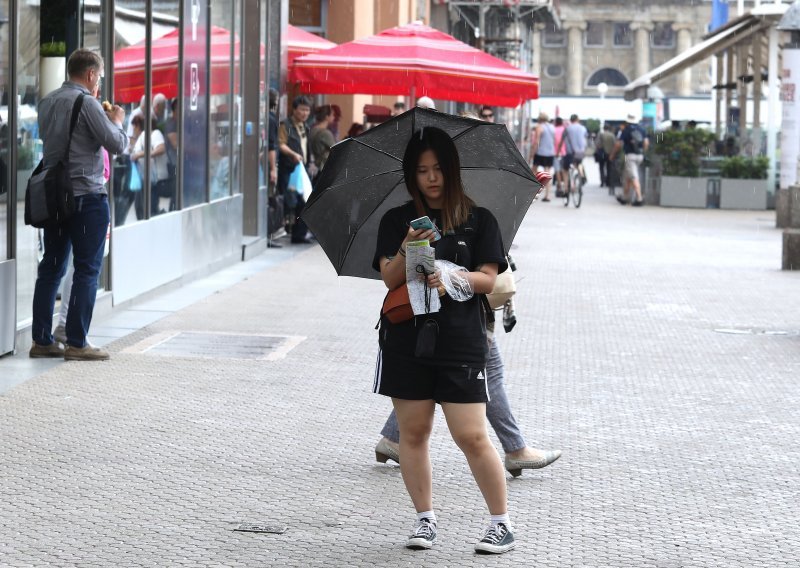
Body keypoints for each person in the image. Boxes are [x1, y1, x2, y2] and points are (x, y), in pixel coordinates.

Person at [373, 126, 516, 554]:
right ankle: (425, 519)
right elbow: (388, 278)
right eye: (421, 170)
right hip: (406, 338)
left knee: (470, 434)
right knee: (413, 433)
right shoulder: (397, 220)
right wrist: (405, 248)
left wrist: (452, 276)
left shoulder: (479, 219)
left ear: (451, 171)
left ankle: (501, 523)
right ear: (411, 175)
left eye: (437, 169)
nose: (431, 177)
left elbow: (489, 279)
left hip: (460, 339)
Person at [30, 48, 128, 361]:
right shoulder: (87, 103)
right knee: (87, 269)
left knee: (51, 268)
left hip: (55, 196)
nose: (98, 82)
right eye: (98, 76)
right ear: (89, 75)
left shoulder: (47, 102)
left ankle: (42, 340)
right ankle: (77, 342)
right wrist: (117, 122)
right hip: (86, 195)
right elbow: (116, 144)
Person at [278, 95, 312, 243]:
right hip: (289, 169)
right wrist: (292, 154)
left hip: (302, 169)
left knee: (305, 200)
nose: (305, 113)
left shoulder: (306, 127)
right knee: (290, 201)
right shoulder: (285, 125)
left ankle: (299, 234)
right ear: (294, 110)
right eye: (302, 109)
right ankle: (288, 230)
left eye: (307, 110)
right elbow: (281, 144)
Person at [130, 116, 170, 215]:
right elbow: (134, 152)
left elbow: (161, 149)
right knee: (140, 207)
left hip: (155, 179)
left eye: (135, 126)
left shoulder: (156, 134)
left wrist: (141, 155)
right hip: (144, 178)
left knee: (150, 208)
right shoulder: (143, 135)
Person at [609, 114, 649, 206]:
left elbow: (618, 144)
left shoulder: (626, 131)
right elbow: (646, 143)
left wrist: (612, 155)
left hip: (630, 156)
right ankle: (625, 197)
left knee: (634, 177)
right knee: (627, 176)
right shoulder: (642, 129)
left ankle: (639, 198)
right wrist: (643, 152)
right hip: (640, 156)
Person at [529, 112, 556, 201]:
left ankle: (531, 192)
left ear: (539, 119)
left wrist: (531, 154)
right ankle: (547, 195)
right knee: (547, 173)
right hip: (550, 153)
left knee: (533, 172)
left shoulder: (539, 127)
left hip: (540, 152)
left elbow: (536, 142)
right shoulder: (552, 127)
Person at [557, 114, 588, 184]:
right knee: (579, 163)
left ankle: (566, 188)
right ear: (578, 120)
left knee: (565, 169)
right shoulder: (583, 128)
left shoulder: (567, 128)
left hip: (570, 152)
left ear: (571, 120)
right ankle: (581, 174)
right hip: (581, 152)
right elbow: (585, 139)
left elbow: (561, 142)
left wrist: (557, 152)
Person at [309, 104, 336, 179]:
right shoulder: (326, 133)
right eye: (332, 115)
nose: (334, 117)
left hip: (314, 166)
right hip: (323, 167)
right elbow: (336, 150)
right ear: (327, 117)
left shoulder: (313, 130)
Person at [595, 123, 616, 188]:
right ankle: (608, 182)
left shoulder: (600, 134)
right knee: (609, 168)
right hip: (610, 153)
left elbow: (597, 144)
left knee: (601, 168)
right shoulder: (612, 135)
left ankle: (602, 182)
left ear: (603, 128)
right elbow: (614, 144)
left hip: (602, 153)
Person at [552, 117, 567, 196]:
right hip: (564, 152)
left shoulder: (553, 130)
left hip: (555, 152)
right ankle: (566, 187)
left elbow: (553, 141)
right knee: (564, 170)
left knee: (557, 170)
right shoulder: (565, 129)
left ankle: (560, 187)